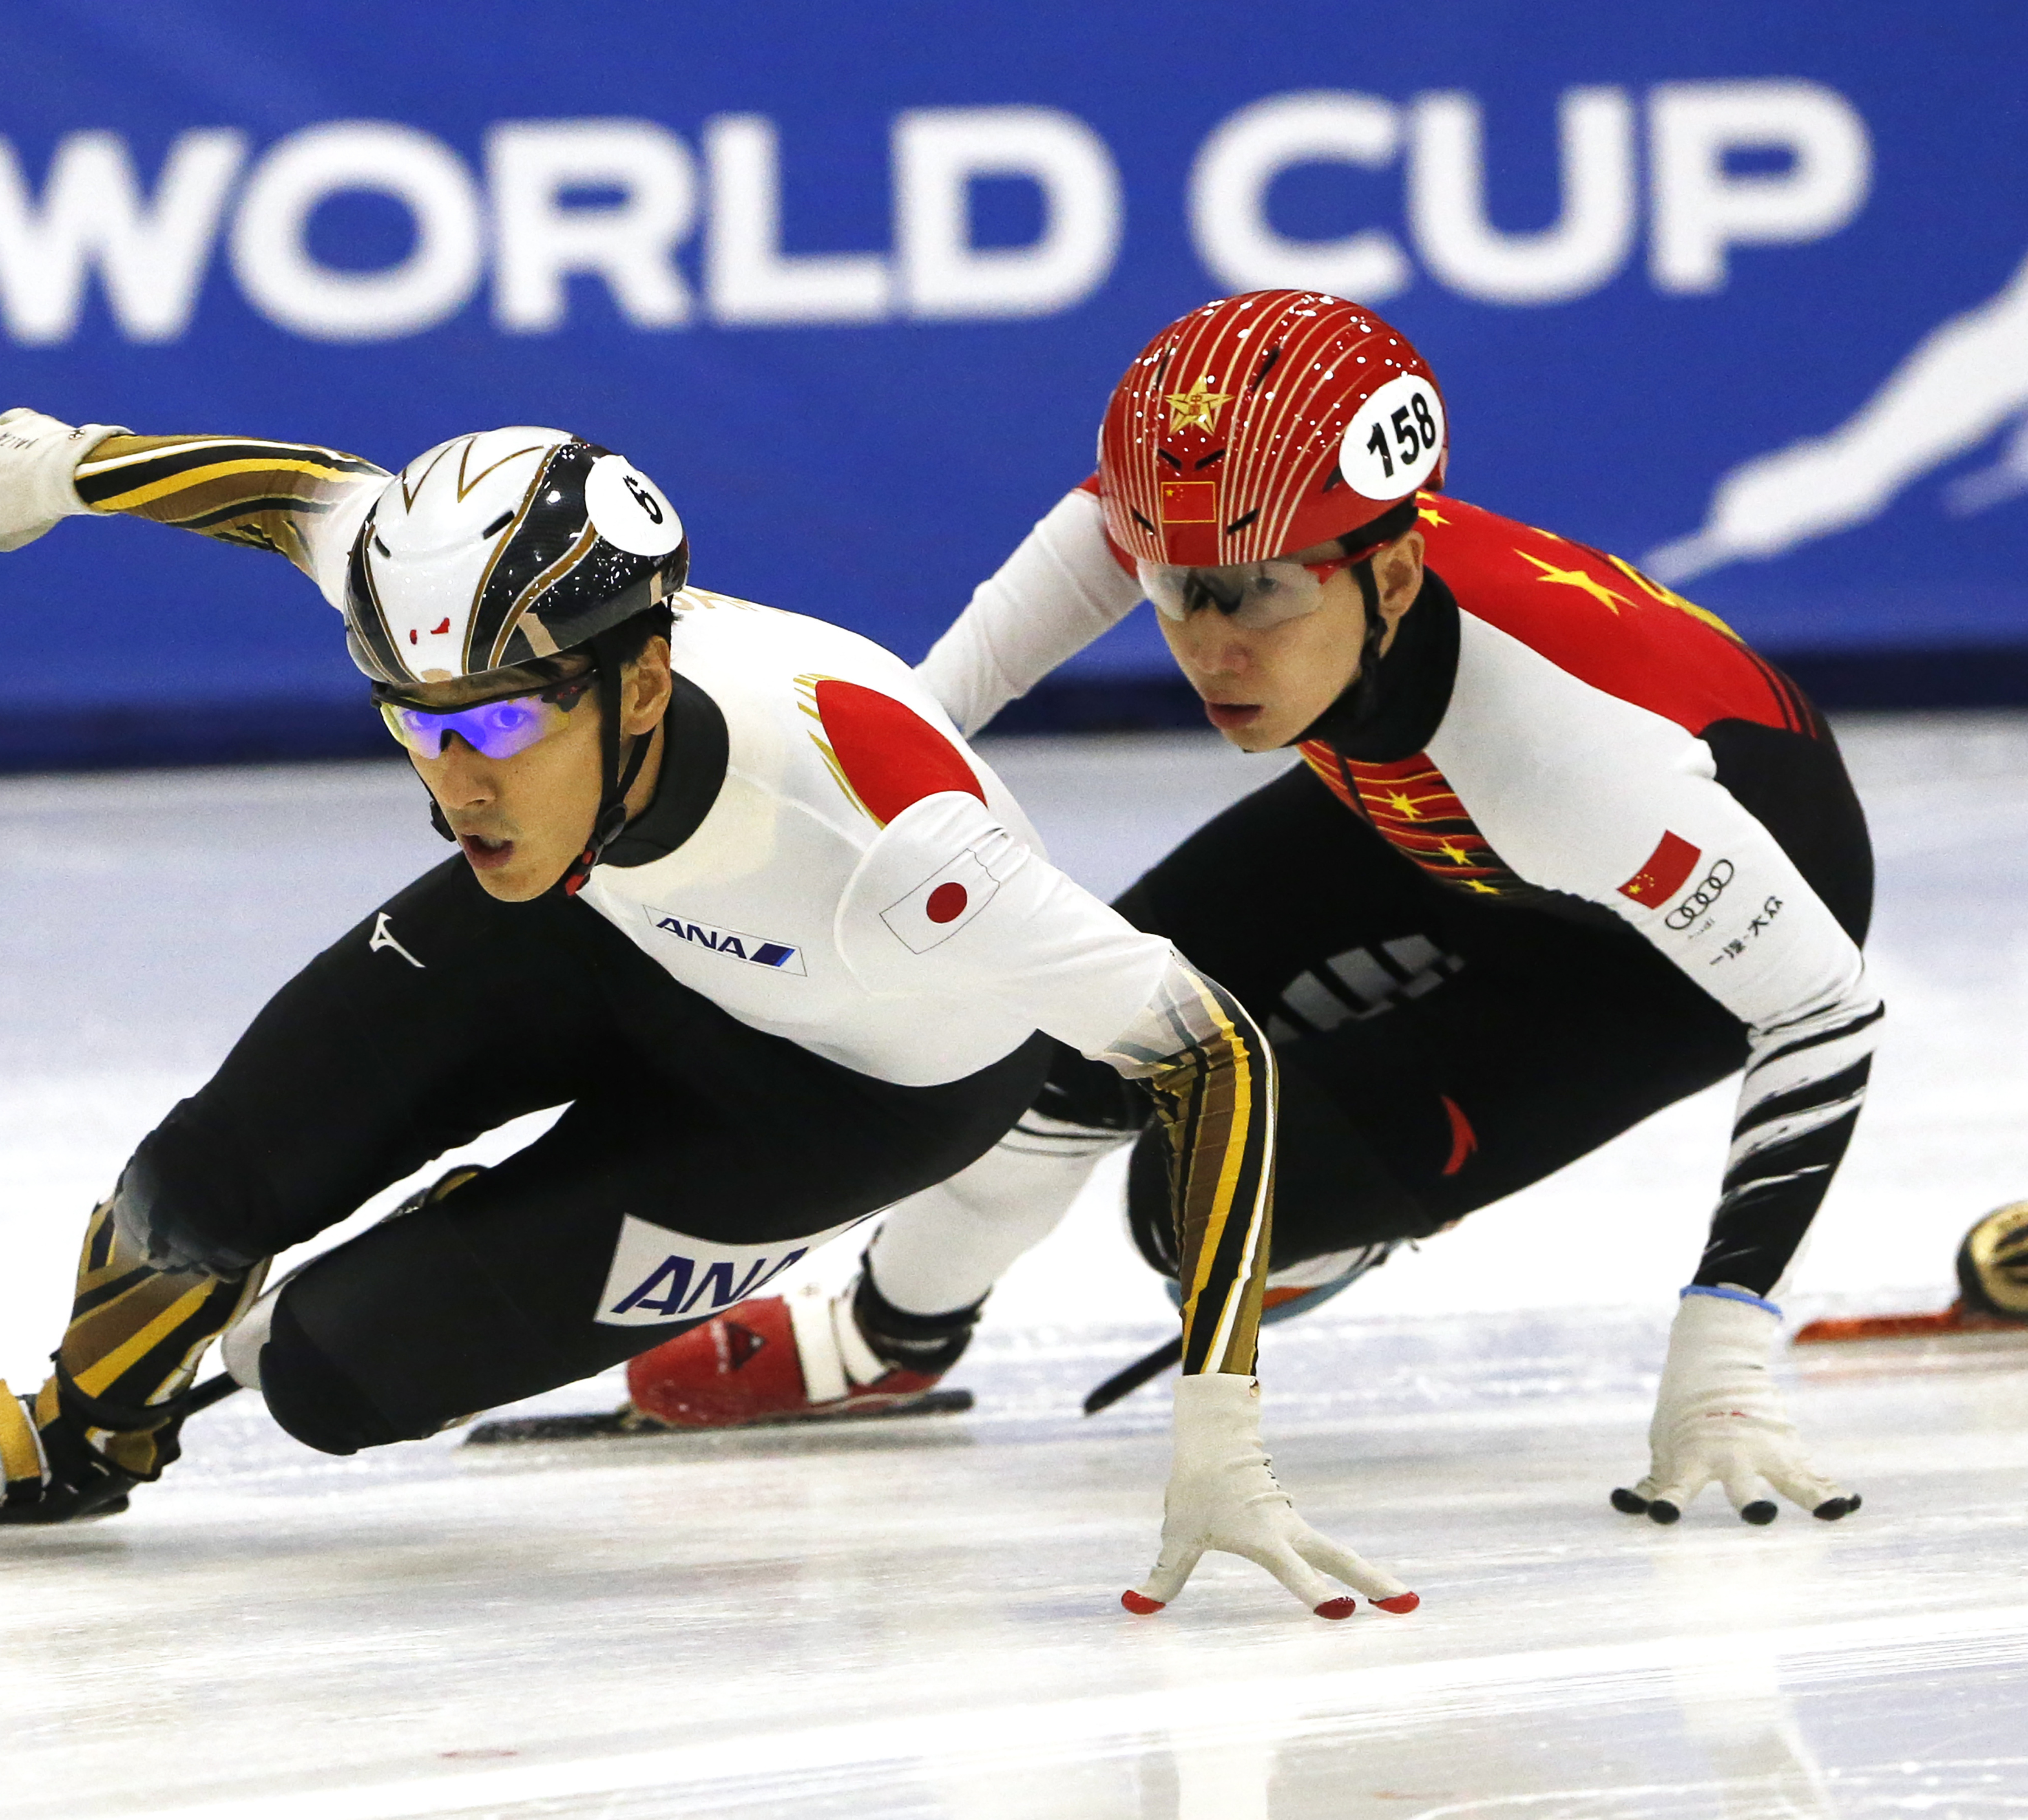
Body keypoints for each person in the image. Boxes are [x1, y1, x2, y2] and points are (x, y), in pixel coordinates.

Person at [0, 407, 1417, 1619]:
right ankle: (82, 1435)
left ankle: (624, 1286)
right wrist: (76, 467)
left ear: (640, 681)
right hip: (595, 914)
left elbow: (1210, 1051)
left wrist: (1224, 1429)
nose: (456, 779)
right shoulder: (468, 662)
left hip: (843, 1089)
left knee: (332, 1373)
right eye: (411, 726)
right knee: (201, 1185)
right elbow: (301, 497)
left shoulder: (899, 835)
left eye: (500, 719)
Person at [626, 290, 1878, 1534]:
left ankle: (1327, 1224)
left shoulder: (1574, 764)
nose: (1208, 646)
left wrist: (1725, 1359)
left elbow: (1827, 1013)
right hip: (1419, 816)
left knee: (1191, 1211)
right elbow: (939, 704)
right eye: (1174, 587)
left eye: (1259, 593)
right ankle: (889, 1337)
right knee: (1076, 1041)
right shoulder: (1210, 518)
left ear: (1392, 569)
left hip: (1657, 960)